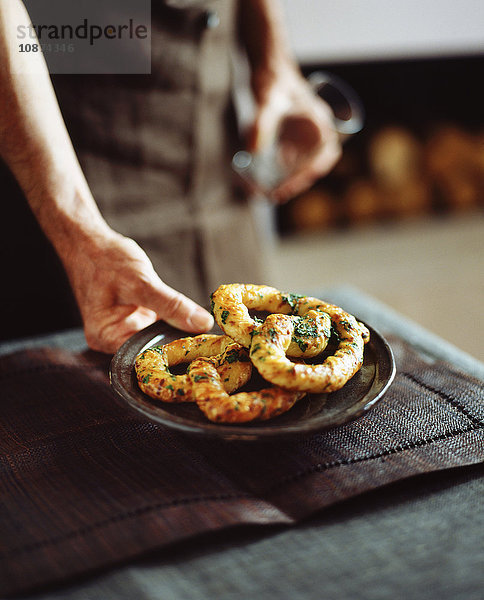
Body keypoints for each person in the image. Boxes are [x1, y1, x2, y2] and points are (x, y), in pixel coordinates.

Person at [0, 0, 341, 353]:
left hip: (219, 183)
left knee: (255, 355)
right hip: (69, 156)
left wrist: (276, 64)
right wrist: (73, 225)